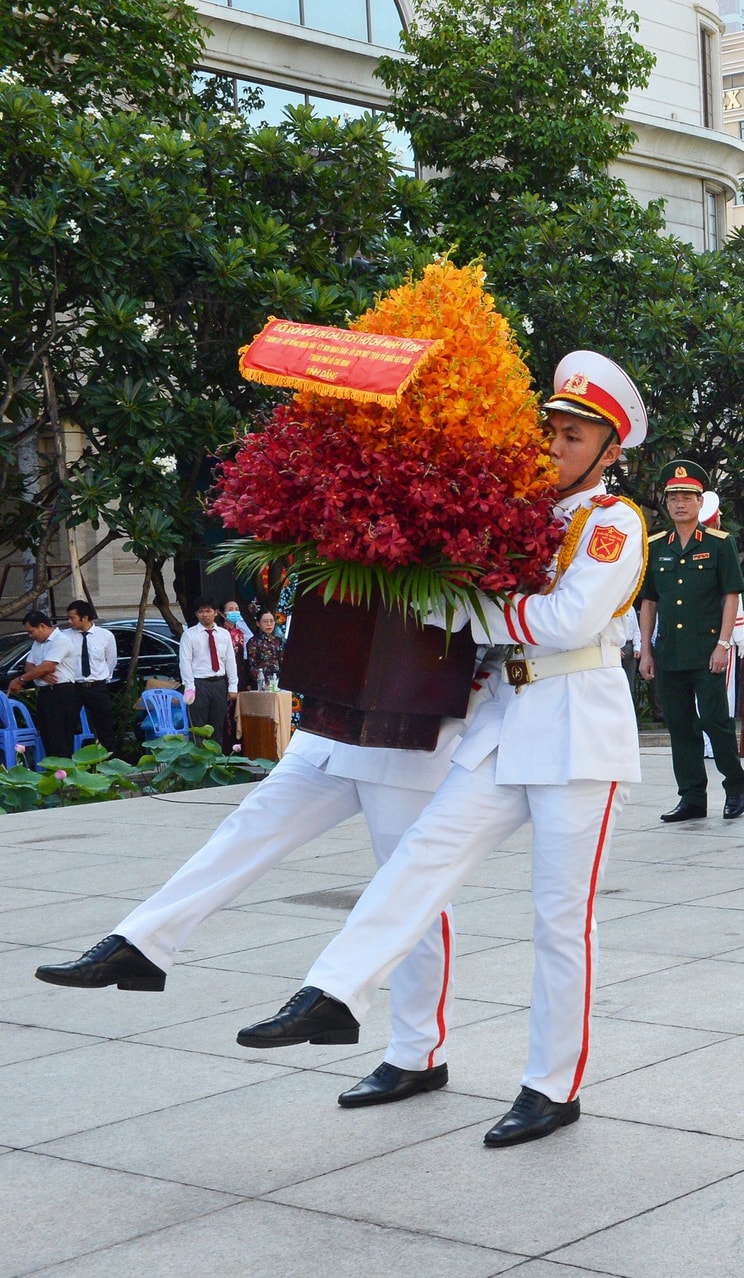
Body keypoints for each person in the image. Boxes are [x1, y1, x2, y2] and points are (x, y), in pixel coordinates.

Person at [235, 349, 652, 1149]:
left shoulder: (613, 523)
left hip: (577, 730)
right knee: (420, 857)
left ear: (610, 451)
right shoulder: (517, 512)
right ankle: (331, 992)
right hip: (505, 719)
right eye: (553, 429)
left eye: (574, 436)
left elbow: (566, 622)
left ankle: (551, 1085)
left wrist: (470, 611)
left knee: (561, 920)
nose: (554, 445)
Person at [36, 677, 491, 1108]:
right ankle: (141, 943)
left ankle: (417, 1055)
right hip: (330, 731)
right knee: (246, 829)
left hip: (408, 735)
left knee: (414, 894)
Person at [638, 459, 744, 823]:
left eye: (687, 497)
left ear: (701, 503)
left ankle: (734, 786)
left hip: (707, 652)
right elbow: (649, 601)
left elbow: (731, 594)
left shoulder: (720, 544)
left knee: (716, 723)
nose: (680, 503)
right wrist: (646, 650)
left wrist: (723, 644)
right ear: (666, 503)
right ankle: (691, 797)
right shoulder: (656, 546)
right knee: (681, 726)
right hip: (669, 651)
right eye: (673, 498)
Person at [9, 611, 78, 757]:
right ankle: (52, 772)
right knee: (47, 736)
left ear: (42, 626)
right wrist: (41, 673)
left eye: (31, 631)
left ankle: (64, 773)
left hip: (61, 692)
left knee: (60, 738)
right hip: (45, 693)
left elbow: (48, 666)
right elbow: (29, 664)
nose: (30, 635)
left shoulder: (61, 640)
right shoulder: (37, 643)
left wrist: (21, 679)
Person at [178, 601, 237, 750]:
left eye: (208, 611)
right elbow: (185, 662)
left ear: (216, 612)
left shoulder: (224, 634)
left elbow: (230, 661)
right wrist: (189, 687)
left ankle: (215, 763)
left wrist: (233, 686)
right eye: (201, 612)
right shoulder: (189, 635)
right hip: (199, 684)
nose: (205, 615)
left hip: (219, 684)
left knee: (217, 726)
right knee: (198, 727)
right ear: (197, 614)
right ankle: (198, 764)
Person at [64, 600, 117, 752]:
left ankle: (109, 763)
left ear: (85, 617)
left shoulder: (105, 636)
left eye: (72, 617)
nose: (70, 621)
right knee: (67, 724)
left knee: (105, 726)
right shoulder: (64, 636)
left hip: (97, 686)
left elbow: (111, 660)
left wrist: (103, 678)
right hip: (73, 687)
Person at [246, 609, 283, 689]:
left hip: (277, 681)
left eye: (271, 621)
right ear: (258, 623)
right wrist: (263, 682)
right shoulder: (253, 642)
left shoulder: (278, 641)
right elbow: (252, 665)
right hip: (261, 683)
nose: (269, 624)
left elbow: (282, 662)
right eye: (265, 621)